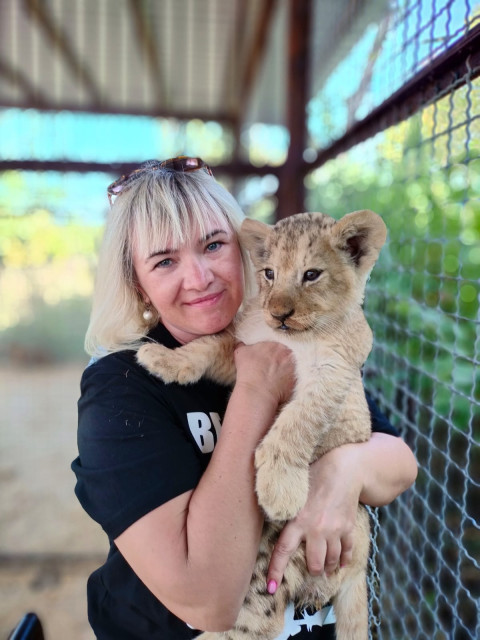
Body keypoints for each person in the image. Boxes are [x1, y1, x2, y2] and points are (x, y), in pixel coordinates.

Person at [72, 157, 417, 640]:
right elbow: (209, 601)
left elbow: (399, 462)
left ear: (245, 251)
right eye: (165, 261)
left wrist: (342, 473)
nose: (199, 278)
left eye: (214, 245)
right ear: (137, 284)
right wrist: (256, 386)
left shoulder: (295, 332)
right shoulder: (123, 387)